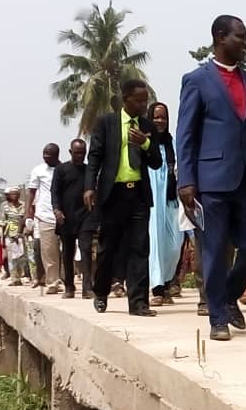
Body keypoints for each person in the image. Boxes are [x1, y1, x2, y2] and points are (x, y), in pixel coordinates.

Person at [175, 15, 246, 341]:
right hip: (212, 181)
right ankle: (218, 318)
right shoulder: (196, 80)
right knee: (215, 249)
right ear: (221, 37)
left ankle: (228, 296)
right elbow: (186, 134)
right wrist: (186, 180)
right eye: (240, 38)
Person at [84, 78, 163, 316]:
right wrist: (89, 187)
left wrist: (146, 143)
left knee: (140, 248)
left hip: (138, 194)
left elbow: (157, 162)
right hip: (113, 194)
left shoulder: (147, 125)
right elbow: (95, 157)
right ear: (125, 99)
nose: (143, 104)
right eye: (139, 100)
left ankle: (138, 303)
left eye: (145, 100)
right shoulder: (106, 123)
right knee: (108, 247)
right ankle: (100, 292)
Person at [145, 102, 183, 307]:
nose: (160, 121)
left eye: (163, 117)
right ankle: (159, 288)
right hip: (152, 201)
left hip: (171, 199)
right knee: (156, 244)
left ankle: (168, 280)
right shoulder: (145, 144)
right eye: (156, 117)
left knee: (175, 244)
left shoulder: (173, 144)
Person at [51, 138, 92, 299]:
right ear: (70, 152)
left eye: (83, 153)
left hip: (85, 216)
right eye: (77, 153)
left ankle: (87, 287)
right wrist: (56, 210)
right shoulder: (61, 170)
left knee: (86, 250)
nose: (80, 156)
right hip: (66, 217)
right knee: (67, 253)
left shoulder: (89, 170)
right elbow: (54, 192)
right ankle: (69, 286)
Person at [28, 143, 61, 294]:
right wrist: (28, 213)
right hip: (45, 215)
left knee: (67, 250)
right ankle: (52, 282)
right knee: (48, 251)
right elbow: (32, 193)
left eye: (49, 154)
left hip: (63, 215)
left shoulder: (65, 169)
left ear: (57, 155)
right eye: (44, 153)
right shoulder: (38, 170)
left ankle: (67, 280)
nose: (46, 156)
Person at [0, 187, 27, 285]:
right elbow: (2, 221)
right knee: (11, 256)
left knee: (21, 255)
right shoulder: (4, 206)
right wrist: (0, 236)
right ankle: (14, 278)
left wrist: (20, 232)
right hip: (9, 233)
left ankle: (20, 274)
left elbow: (22, 218)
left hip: (21, 232)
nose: (14, 196)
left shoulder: (23, 205)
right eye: (12, 194)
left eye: (16, 194)